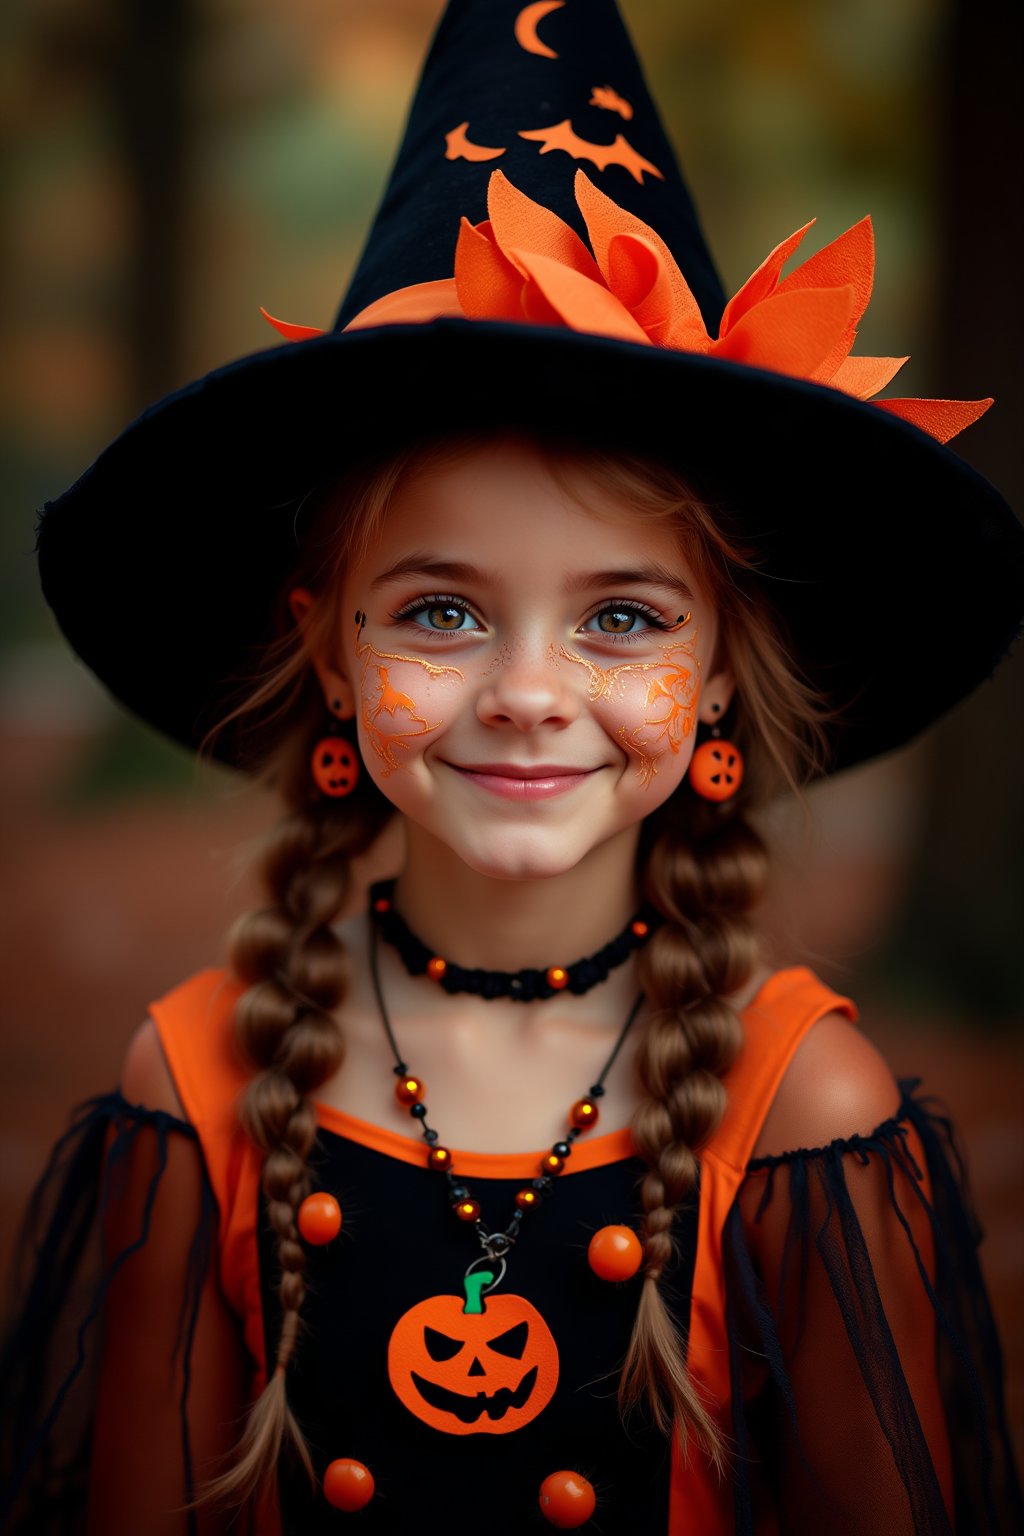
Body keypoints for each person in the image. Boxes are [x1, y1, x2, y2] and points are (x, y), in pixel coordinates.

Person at [2, 1, 1022, 1533]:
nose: (531, 694)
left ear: (725, 669)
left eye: (621, 617)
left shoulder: (803, 1107)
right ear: (334, 655)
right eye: (441, 612)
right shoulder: (198, 1083)